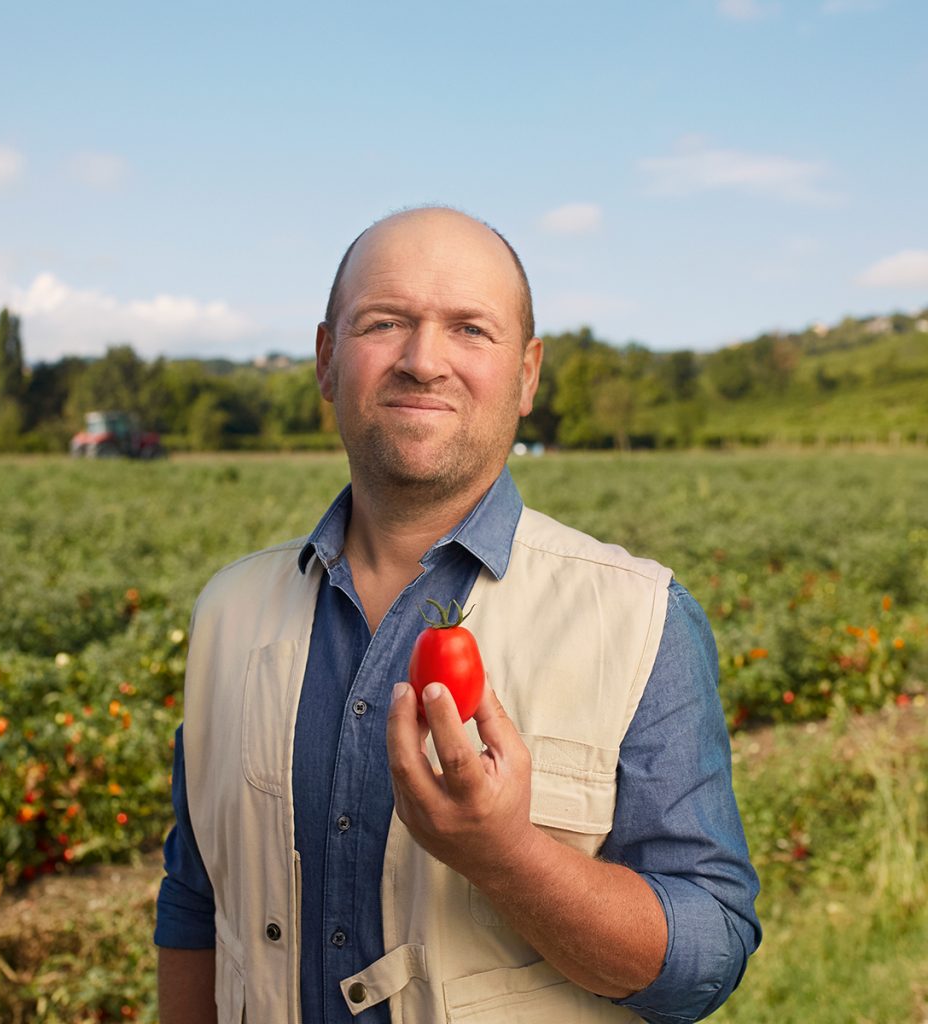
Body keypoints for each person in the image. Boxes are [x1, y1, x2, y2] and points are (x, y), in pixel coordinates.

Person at [155, 206, 761, 1024]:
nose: (423, 360)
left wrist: (506, 856)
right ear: (327, 360)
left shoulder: (643, 619)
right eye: (384, 323)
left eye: (471, 329)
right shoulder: (229, 612)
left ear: (527, 375)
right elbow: (197, 901)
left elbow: (706, 960)